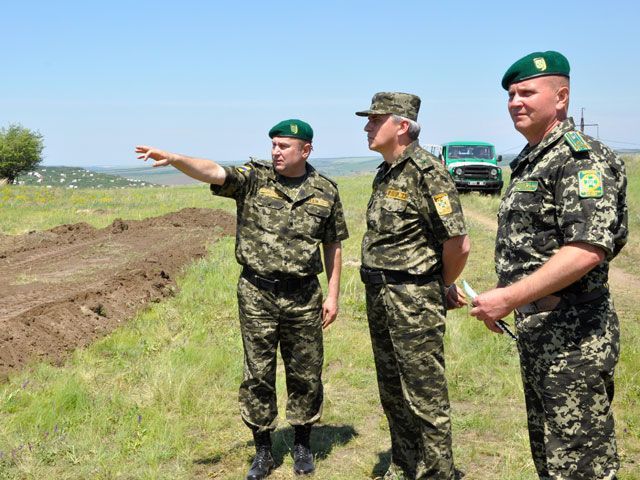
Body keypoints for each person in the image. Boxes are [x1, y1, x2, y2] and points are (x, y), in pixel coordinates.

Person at [135, 119, 349, 480]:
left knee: (306, 372)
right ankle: (263, 450)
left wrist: (332, 294)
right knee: (258, 372)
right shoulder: (254, 179)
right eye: (273, 145)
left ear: (305, 150)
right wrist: (174, 158)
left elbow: (333, 244)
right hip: (257, 293)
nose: (275, 151)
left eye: (283, 146)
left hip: (303, 294)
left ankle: (301, 443)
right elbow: (213, 171)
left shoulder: (325, 190)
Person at [470, 51, 628, 479]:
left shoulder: (579, 158)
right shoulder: (532, 157)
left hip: (574, 334)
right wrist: (508, 298)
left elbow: (586, 249)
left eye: (526, 92)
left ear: (561, 97)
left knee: (580, 461)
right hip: (541, 329)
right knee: (550, 452)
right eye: (510, 94)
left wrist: (509, 296)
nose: (515, 102)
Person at [355, 92, 470, 480]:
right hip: (381, 295)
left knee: (425, 394)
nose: (367, 126)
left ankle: (439, 472)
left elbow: (457, 243)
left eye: (375, 120)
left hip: (413, 297)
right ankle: (403, 465)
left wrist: (441, 284)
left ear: (402, 126)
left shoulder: (427, 172)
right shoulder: (386, 171)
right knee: (392, 390)